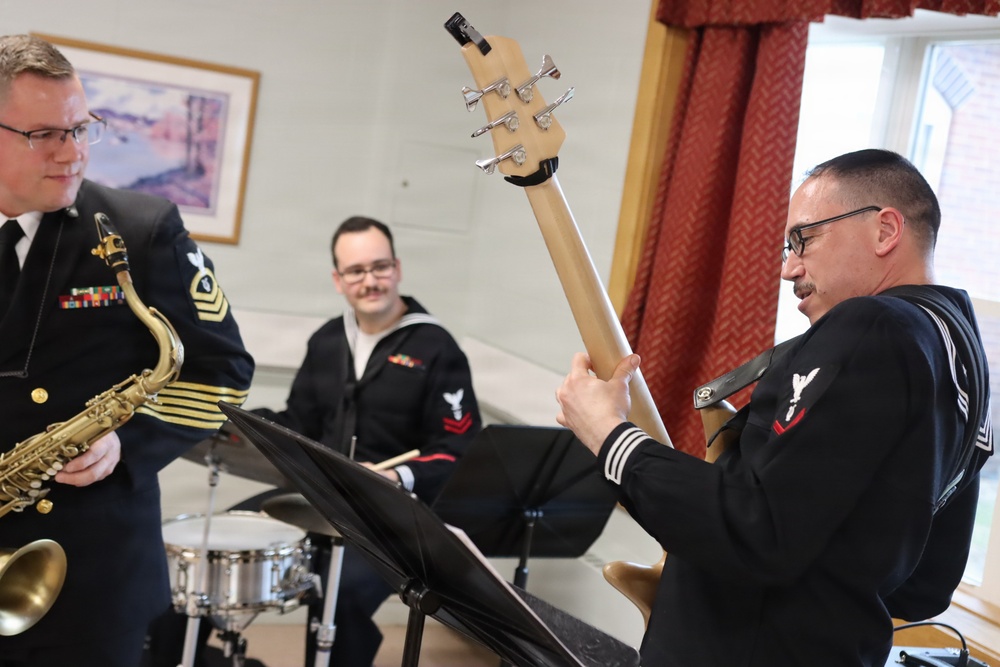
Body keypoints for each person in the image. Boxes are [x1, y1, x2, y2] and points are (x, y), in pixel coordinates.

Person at [555, 149, 993, 667]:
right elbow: (927, 586)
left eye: (804, 238)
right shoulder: (963, 356)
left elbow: (757, 529)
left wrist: (609, 435)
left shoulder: (872, 325)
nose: (789, 269)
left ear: (885, 231)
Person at [0, 34, 254, 667]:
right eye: (44, 135)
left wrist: (125, 443)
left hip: (88, 574)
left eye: (80, 128)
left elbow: (223, 372)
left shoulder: (142, 231)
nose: (72, 153)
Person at [148, 215, 482, 667]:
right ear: (338, 279)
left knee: (339, 593)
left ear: (398, 268)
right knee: (208, 549)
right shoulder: (327, 340)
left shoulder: (437, 348)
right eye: (356, 271)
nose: (370, 281)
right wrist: (240, 426)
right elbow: (299, 422)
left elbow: (457, 451)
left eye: (380, 267)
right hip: (317, 496)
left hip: (393, 517)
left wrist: (395, 476)